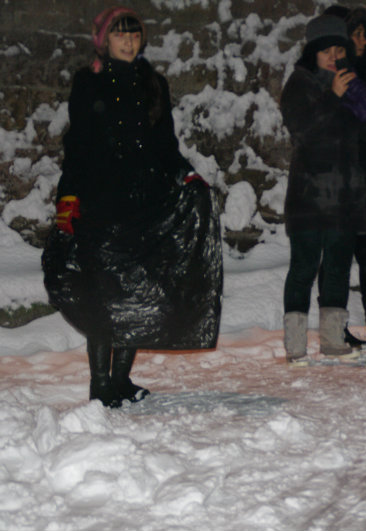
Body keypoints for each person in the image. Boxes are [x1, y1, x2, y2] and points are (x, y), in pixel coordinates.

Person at [42, 6, 223, 408]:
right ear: (104, 40)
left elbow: (165, 145)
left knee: (136, 293)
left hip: (145, 203)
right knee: (103, 296)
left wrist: (187, 176)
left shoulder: (153, 83)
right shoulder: (89, 83)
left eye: (134, 34)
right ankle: (100, 385)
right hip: (101, 202)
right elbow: (79, 145)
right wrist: (69, 198)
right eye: (120, 34)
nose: (128, 41)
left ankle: (121, 380)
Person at [280, 14, 366, 364]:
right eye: (327, 51)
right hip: (309, 195)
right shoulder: (299, 84)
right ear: (313, 53)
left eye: (340, 50)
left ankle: (333, 339)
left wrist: (362, 102)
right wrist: (333, 97)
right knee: (304, 268)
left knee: (338, 268)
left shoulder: (350, 83)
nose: (335, 57)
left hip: (344, 195)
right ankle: (295, 346)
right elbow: (304, 131)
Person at [321, 5, 366, 347]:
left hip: (364, 178)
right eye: (357, 34)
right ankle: (335, 331)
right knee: (337, 258)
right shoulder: (328, 79)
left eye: (365, 34)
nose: (364, 41)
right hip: (340, 179)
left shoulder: (356, 79)